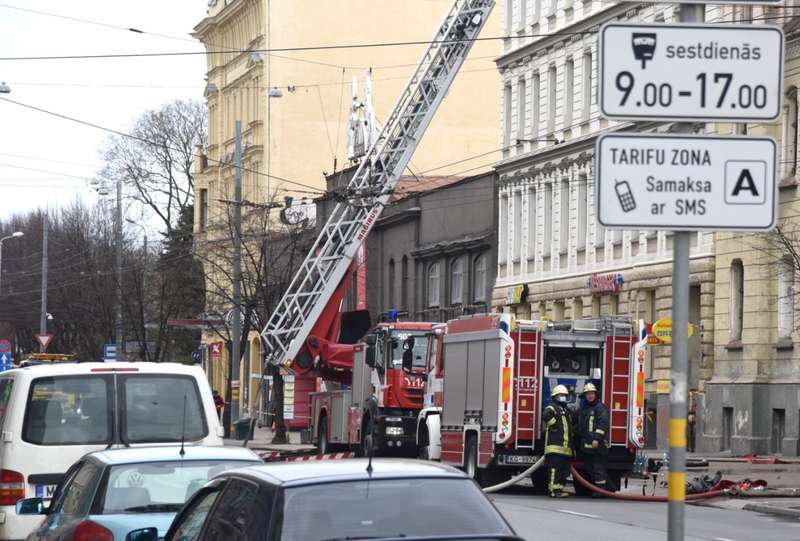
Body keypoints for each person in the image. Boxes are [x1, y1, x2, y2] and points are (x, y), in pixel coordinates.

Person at [578, 382, 610, 493]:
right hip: (587, 445)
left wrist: (597, 438)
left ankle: (600, 490)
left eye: (592, 393)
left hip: (598, 445)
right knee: (589, 467)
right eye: (587, 394)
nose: (590, 396)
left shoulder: (600, 407)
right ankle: (596, 488)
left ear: (595, 394)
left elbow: (603, 424)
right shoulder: (584, 408)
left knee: (598, 468)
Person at [542, 384, 574, 498]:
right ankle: (553, 490)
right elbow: (545, 415)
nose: (563, 397)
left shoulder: (565, 410)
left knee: (563, 470)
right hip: (555, 447)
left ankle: (559, 489)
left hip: (565, 448)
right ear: (555, 396)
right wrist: (554, 424)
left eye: (564, 395)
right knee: (555, 469)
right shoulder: (552, 407)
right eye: (561, 395)